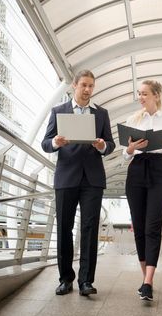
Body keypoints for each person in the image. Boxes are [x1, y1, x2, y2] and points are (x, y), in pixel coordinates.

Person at [41, 69, 115, 296]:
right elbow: (45, 143)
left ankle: (86, 281)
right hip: (66, 177)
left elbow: (110, 144)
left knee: (90, 229)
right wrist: (55, 141)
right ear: (74, 86)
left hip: (92, 179)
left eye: (91, 86)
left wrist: (102, 145)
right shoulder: (58, 111)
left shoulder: (101, 114)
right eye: (83, 85)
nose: (87, 90)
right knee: (64, 227)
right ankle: (65, 279)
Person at [123, 80, 162, 301]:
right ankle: (147, 280)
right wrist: (130, 148)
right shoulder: (132, 120)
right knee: (139, 227)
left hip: (158, 170)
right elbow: (125, 155)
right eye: (139, 94)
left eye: (144, 94)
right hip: (136, 170)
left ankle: (147, 282)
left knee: (152, 225)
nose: (141, 97)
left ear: (156, 95)